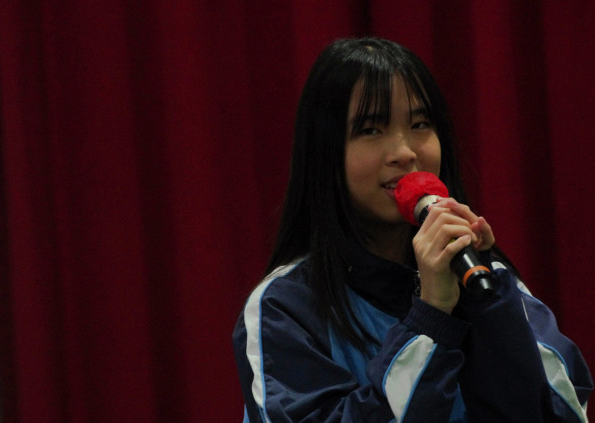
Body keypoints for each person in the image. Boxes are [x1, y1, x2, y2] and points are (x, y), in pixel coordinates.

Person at [232, 37, 592, 422]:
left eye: (420, 124)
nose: (405, 152)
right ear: (325, 152)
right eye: (371, 129)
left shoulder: (487, 280)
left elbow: (563, 412)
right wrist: (431, 317)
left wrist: (488, 307)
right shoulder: (283, 308)